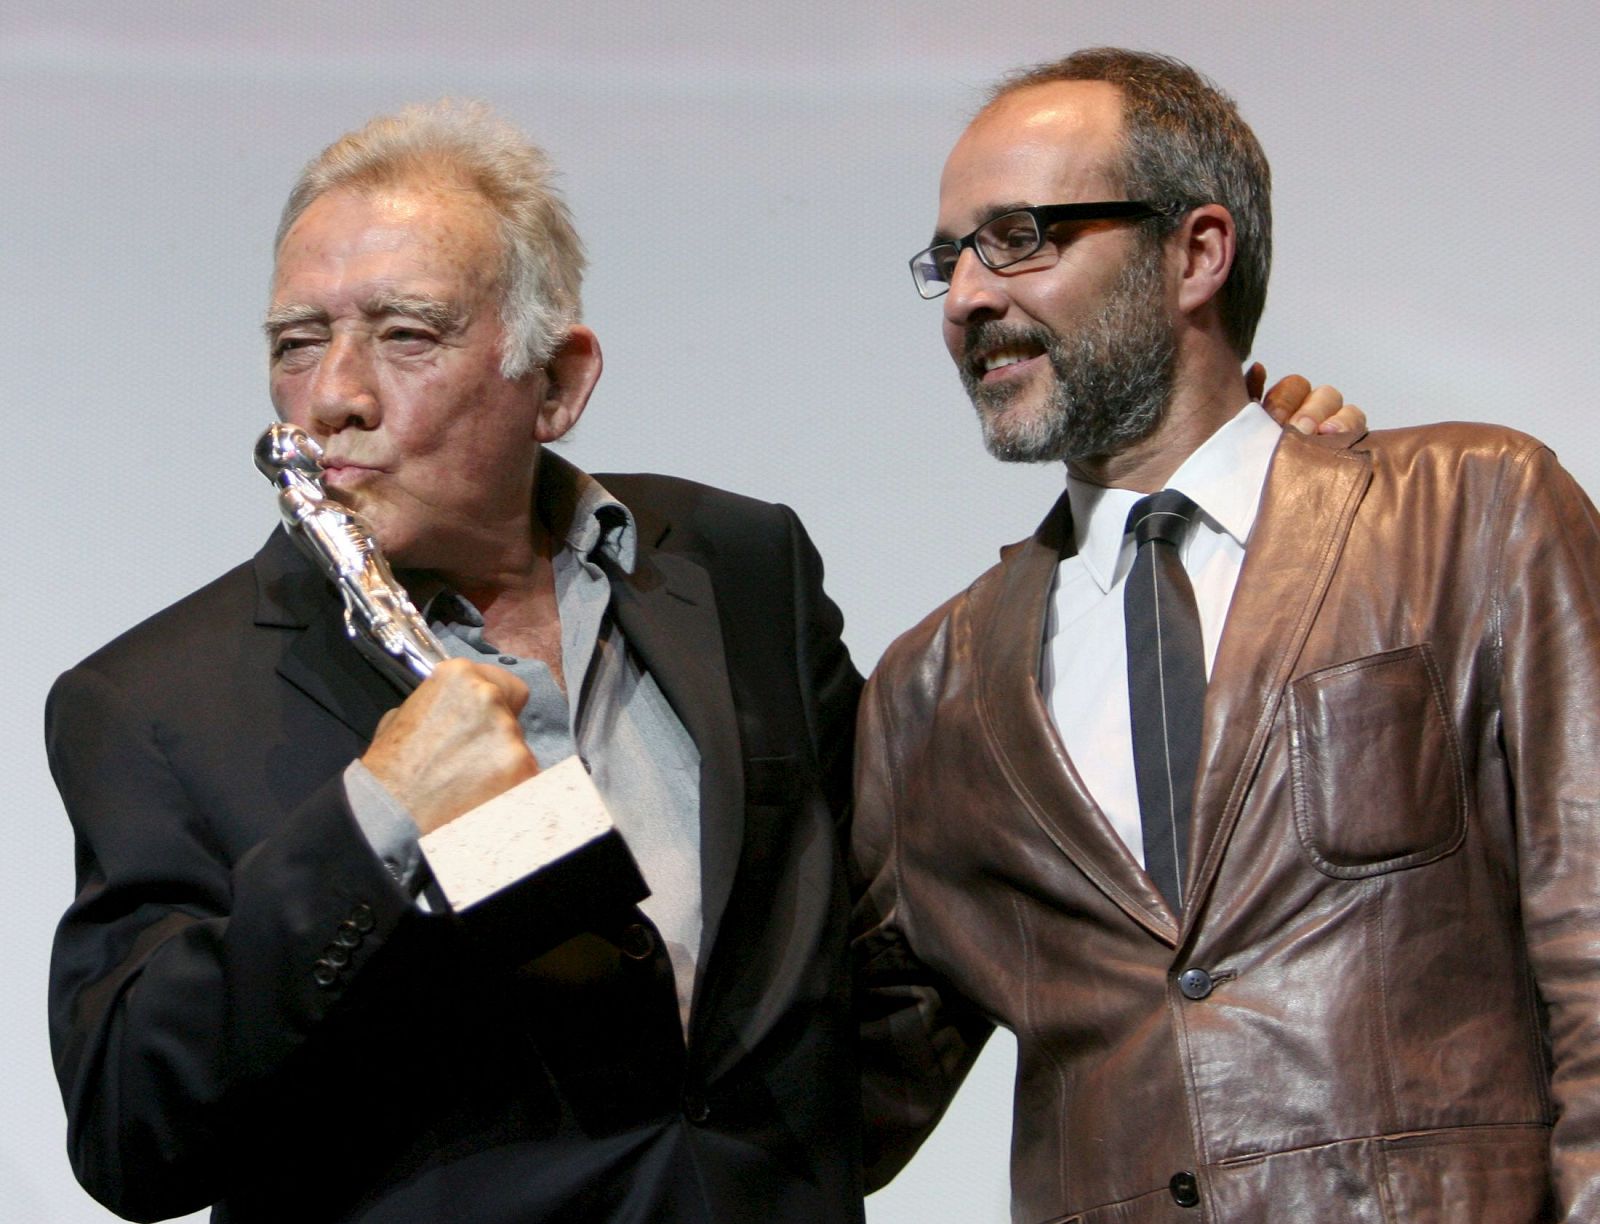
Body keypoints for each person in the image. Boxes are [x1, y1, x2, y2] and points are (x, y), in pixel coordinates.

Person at [44, 100, 1351, 1223]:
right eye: (295, 341)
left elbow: (925, 873)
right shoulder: (149, 703)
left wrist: (1198, 494)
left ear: (557, 384)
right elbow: (129, 1135)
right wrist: (372, 829)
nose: (333, 395)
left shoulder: (737, 564)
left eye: (405, 334)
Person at [852, 48, 1600, 1224]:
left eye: (1019, 237)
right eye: (948, 258)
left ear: (1196, 252)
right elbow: (818, 1109)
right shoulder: (930, 691)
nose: (964, 299)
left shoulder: (1472, 512)